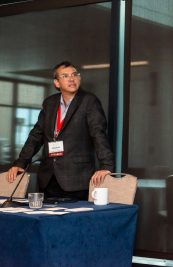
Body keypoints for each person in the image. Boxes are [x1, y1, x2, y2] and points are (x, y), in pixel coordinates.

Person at [7, 61, 114, 200]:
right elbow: (36, 136)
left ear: (79, 78)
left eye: (75, 74)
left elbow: (98, 134)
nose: (71, 78)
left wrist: (106, 165)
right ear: (57, 83)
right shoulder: (49, 103)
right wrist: (20, 163)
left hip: (76, 179)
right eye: (65, 76)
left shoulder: (89, 101)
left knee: (73, 220)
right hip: (48, 178)